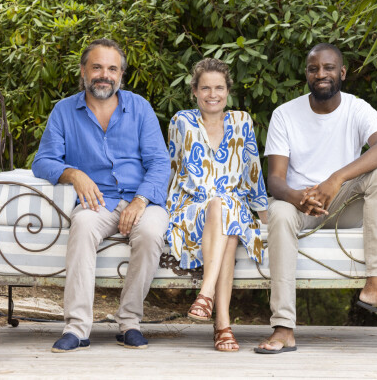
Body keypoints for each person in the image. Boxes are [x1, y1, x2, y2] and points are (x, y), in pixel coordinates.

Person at [255, 43, 377, 354]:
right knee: (281, 213)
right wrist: (297, 197)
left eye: (328, 68)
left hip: (344, 204)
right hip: (302, 205)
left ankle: (376, 286)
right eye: (314, 69)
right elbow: (275, 180)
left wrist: (335, 179)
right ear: (306, 75)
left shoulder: (357, 109)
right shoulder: (285, 114)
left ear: (341, 73)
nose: (321, 74)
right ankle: (284, 328)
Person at [32, 38, 170, 353]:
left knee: (150, 232)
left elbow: (160, 163)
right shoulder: (64, 111)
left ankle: (130, 323)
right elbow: (43, 161)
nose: (103, 75)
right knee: (81, 227)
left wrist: (140, 200)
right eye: (97, 67)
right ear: (83, 71)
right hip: (98, 202)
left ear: (121, 75)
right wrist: (74, 174)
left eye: (112, 68)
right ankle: (77, 329)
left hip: (142, 199)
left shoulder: (140, 108)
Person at [166, 58, 268, 352]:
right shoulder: (181, 121)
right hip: (192, 207)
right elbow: (172, 168)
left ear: (228, 91)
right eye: (206, 88)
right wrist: (161, 210)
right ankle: (222, 323)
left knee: (226, 207)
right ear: (195, 91)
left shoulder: (242, 121)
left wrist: (263, 214)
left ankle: (206, 296)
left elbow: (252, 171)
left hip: (231, 205)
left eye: (219, 88)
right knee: (225, 214)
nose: (213, 94)